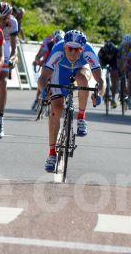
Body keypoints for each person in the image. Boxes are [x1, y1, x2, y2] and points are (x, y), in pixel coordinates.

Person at [37, 30, 103, 172]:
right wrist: (43, 91)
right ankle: (52, 154)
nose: (73, 52)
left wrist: (99, 94)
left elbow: (100, 80)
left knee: (82, 78)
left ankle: (81, 117)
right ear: (65, 46)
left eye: (77, 49)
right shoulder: (58, 50)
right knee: (56, 109)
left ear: (82, 49)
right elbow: (43, 77)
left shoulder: (89, 51)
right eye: (69, 48)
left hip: (81, 69)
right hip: (60, 72)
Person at [0, 1, 19, 138]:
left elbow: (14, 48)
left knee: (2, 81)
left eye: (5, 18)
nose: (1, 22)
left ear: (10, 16)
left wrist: (13, 59)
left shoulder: (13, 22)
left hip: (6, 44)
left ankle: (0, 118)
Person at [97, 41, 119, 108]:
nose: (109, 56)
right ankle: (103, 91)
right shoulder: (101, 52)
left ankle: (113, 98)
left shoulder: (116, 51)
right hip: (104, 61)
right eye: (108, 54)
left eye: (111, 54)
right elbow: (98, 63)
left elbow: (118, 63)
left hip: (113, 62)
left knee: (114, 75)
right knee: (100, 73)